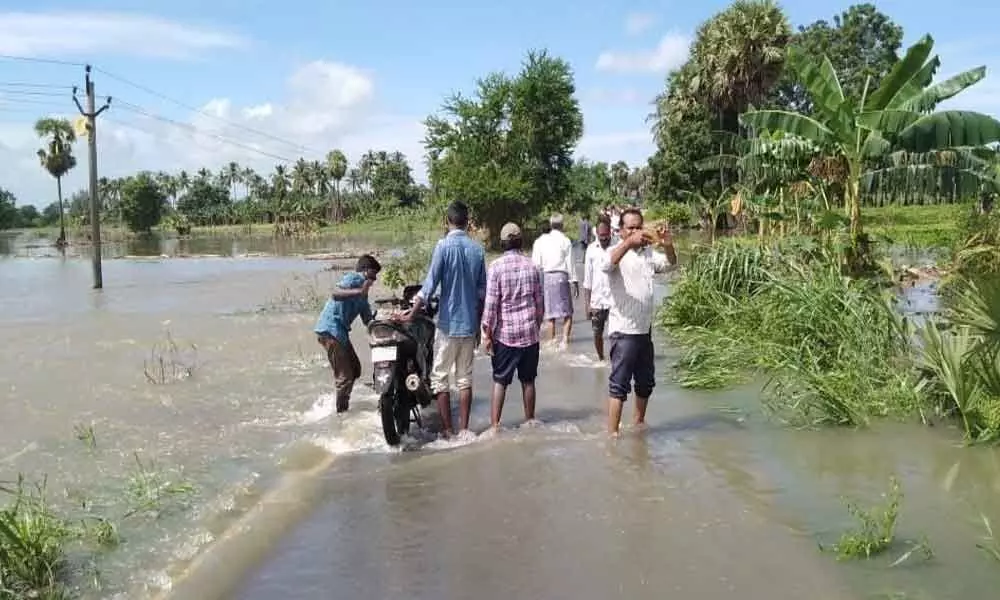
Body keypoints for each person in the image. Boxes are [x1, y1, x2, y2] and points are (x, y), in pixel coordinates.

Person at [405, 201, 487, 439]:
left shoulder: (443, 246)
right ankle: (464, 430)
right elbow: (482, 292)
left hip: (448, 325)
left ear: (447, 221)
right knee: (465, 379)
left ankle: (448, 432)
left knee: (440, 379)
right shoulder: (477, 250)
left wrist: (411, 313)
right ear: (467, 221)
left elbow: (429, 286)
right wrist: (480, 325)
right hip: (470, 324)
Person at [599, 208, 677, 436]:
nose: (635, 232)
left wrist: (668, 244)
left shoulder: (648, 254)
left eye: (638, 227)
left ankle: (638, 425)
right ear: (621, 231)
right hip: (623, 332)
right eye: (630, 228)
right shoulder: (616, 252)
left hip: (644, 331)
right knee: (619, 386)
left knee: (645, 384)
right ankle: (612, 435)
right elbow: (606, 265)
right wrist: (628, 243)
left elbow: (671, 264)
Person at [481, 223, 544, 432]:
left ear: (502, 243)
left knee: (500, 381)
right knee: (528, 381)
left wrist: (487, 334)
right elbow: (539, 304)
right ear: (521, 241)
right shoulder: (532, 266)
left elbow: (491, 306)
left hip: (505, 336)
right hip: (529, 334)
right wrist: (536, 325)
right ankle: (530, 422)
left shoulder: (496, 267)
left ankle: (495, 426)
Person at [313, 254, 382, 414]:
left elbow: (368, 321)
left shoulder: (363, 298)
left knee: (355, 369)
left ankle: (342, 397)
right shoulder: (353, 278)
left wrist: (385, 320)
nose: (374, 280)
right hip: (330, 330)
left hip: (340, 333)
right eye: (373, 275)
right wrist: (359, 290)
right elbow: (335, 293)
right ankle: (341, 415)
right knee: (345, 378)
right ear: (364, 271)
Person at [531, 213, 578, 348]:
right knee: (567, 312)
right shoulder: (565, 240)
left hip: (547, 277)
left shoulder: (540, 241)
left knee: (550, 313)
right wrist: (574, 281)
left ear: (551, 225)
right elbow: (571, 263)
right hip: (562, 277)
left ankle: (551, 341)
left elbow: (536, 264)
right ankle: (565, 341)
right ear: (562, 225)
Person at [582, 219, 614, 361]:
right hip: (597, 300)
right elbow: (587, 279)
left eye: (606, 234)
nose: (603, 238)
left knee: (616, 334)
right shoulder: (590, 250)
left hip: (615, 300)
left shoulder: (617, 247)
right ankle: (601, 359)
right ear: (596, 233)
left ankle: (616, 359)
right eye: (601, 235)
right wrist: (587, 304)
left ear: (610, 232)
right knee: (597, 333)